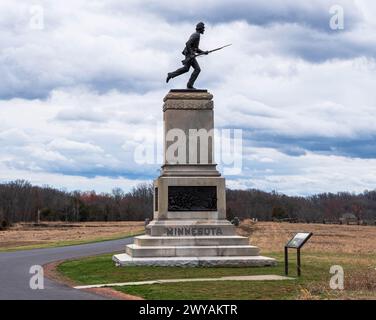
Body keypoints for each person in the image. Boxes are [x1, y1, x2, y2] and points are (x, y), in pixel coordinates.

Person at [166, 22, 208, 89]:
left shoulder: (196, 35)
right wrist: (191, 53)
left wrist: (203, 52)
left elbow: (195, 49)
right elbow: (188, 43)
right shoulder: (196, 35)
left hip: (189, 54)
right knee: (197, 69)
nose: (204, 30)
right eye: (203, 28)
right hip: (189, 55)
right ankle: (189, 85)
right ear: (200, 28)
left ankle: (171, 74)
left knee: (186, 69)